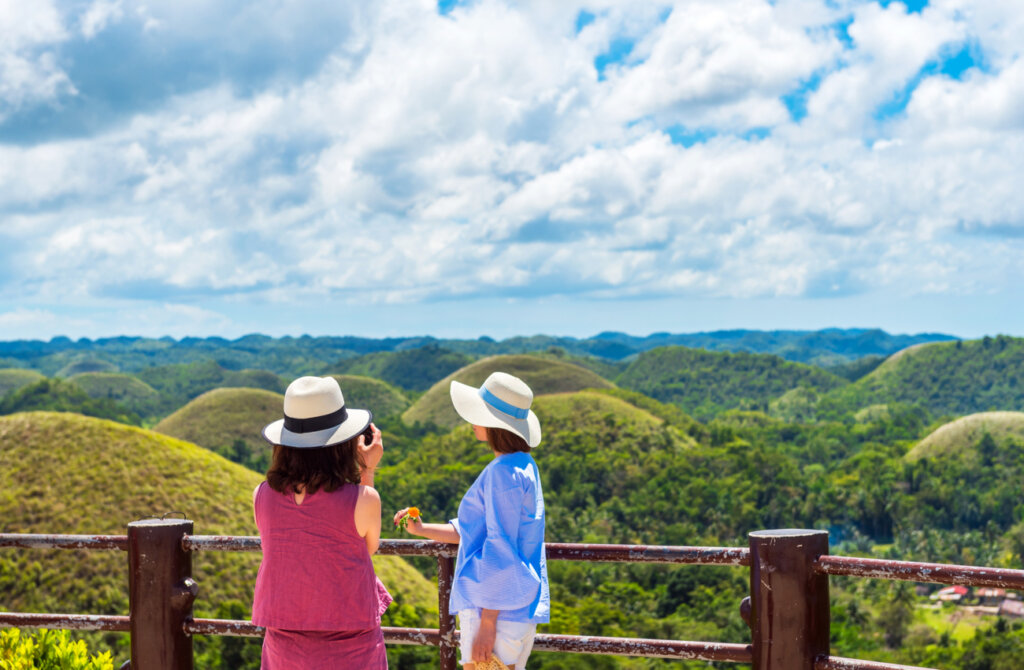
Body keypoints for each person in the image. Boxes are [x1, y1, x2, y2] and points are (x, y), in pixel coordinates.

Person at [395, 372, 549, 670]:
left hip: (495, 611)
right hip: (515, 606)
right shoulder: (523, 466)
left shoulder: (502, 473)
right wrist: (422, 529)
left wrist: (487, 624)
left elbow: (499, 545)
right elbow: (473, 533)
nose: (472, 421)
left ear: (494, 424)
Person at [252, 376, 391, 669]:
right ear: (342, 443)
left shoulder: (262, 495)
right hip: (351, 646)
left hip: (284, 644)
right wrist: (367, 470)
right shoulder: (364, 498)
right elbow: (365, 549)